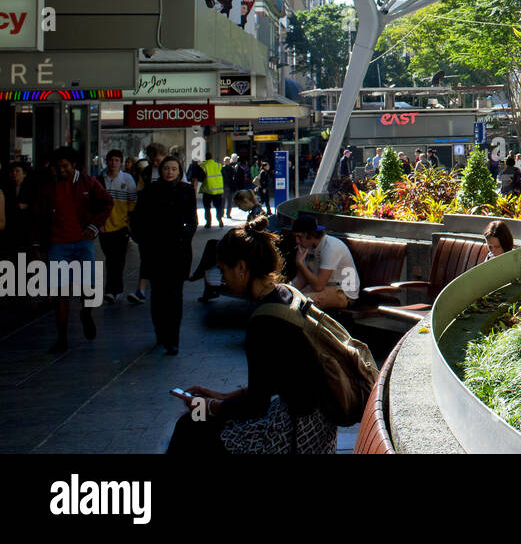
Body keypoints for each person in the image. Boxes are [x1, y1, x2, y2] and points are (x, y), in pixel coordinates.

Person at [166, 222, 338, 454]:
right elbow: (275, 382)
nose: (223, 279)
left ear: (241, 268)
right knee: (195, 422)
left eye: (223, 270)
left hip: (294, 434)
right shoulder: (286, 294)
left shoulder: (263, 321)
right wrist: (224, 396)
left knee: (189, 427)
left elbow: (256, 406)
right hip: (318, 427)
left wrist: (211, 406)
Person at [38, 147, 113, 353]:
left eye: (65, 167)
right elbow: (41, 214)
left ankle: (86, 313)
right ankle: (62, 337)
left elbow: (107, 202)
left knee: (87, 287)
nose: (61, 171)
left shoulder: (88, 182)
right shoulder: (49, 187)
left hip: (82, 242)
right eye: (57, 167)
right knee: (60, 292)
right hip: (58, 244)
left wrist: (94, 225)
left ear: (74, 166)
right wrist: (38, 242)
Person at [131, 156, 198, 355]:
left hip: (178, 250)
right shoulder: (150, 191)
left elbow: (192, 219)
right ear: (160, 170)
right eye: (166, 168)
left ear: (179, 171)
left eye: (173, 169)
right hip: (155, 250)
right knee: (159, 294)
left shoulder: (186, 190)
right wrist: (143, 240)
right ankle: (160, 333)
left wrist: (185, 237)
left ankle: (173, 338)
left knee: (175, 295)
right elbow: (138, 218)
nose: (169, 172)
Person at [289, 214, 357, 309]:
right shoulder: (306, 246)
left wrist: (300, 264)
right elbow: (301, 279)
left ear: (311, 235)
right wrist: (285, 290)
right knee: (290, 299)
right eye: (295, 237)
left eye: (300, 237)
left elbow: (318, 286)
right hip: (323, 287)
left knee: (302, 302)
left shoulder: (331, 247)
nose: (297, 241)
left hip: (344, 293)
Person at [98, 150, 138, 305]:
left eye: (116, 160)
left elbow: (132, 202)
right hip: (105, 227)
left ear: (120, 162)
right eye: (111, 160)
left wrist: (129, 223)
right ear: (106, 162)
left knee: (118, 259)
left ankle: (113, 290)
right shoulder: (100, 180)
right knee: (111, 259)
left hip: (121, 227)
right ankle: (114, 290)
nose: (113, 163)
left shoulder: (127, 179)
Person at [2, 161, 36, 262]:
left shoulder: (31, 187)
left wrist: (26, 206)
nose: (14, 173)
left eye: (17, 171)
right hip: (11, 226)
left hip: (26, 227)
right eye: (12, 171)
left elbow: (34, 205)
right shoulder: (7, 188)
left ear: (24, 174)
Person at [197, 152, 225, 229]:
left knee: (207, 207)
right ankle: (220, 220)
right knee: (218, 206)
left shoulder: (204, 166)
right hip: (218, 190)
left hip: (208, 190)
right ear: (212, 157)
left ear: (205, 157)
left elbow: (201, 178)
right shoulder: (218, 165)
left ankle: (208, 222)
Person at [221, 156, 236, 220]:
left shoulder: (222, 168)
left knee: (223, 201)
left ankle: (222, 213)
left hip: (224, 185)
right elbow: (233, 177)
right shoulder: (232, 168)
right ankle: (228, 214)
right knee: (229, 201)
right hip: (230, 186)